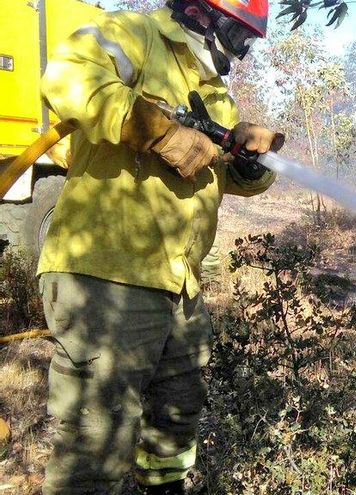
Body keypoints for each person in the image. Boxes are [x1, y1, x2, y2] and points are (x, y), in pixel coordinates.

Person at [37, 0, 281, 493]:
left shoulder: (216, 96)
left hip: (179, 285)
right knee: (94, 435)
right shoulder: (134, 34)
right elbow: (65, 77)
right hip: (106, 276)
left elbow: (219, 175)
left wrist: (248, 166)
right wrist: (156, 130)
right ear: (199, 14)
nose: (242, 53)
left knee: (176, 418)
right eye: (240, 38)